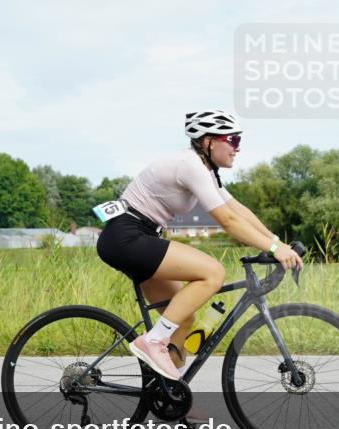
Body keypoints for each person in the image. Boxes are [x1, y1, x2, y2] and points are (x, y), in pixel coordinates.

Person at [96, 109, 304, 381]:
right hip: (127, 236)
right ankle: (153, 341)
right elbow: (228, 221)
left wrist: (276, 242)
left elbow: (237, 210)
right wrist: (275, 250)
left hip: (137, 237)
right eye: (233, 140)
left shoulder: (205, 171)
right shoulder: (190, 166)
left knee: (183, 320)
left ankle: (169, 392)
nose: (237, 148)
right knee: (213, 273)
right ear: (209, 141)